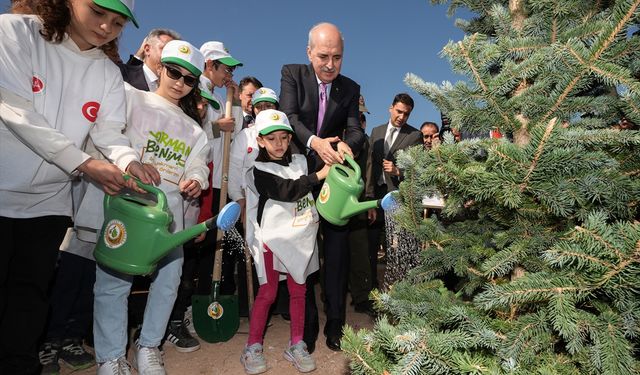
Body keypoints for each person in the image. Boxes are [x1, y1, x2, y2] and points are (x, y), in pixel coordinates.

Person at [0, 1, 148, 373]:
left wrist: (129, 162)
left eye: (116, 22)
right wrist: (84, 163)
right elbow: (15, 108)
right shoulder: (14, 32)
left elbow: (109, 132)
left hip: (48, 203)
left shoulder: (108, 73)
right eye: (98, 13)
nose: (105, 28)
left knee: (29, 296)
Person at [91, 40, 209, 374]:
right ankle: (111, 357)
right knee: (114, 282)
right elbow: (108, 133)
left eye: (189, 79)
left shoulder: (195, 129)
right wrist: (129, 163)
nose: (179, 83)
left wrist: (196, 180)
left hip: (166, 219)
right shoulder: (130, 97)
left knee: (169, 280)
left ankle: (149, 347)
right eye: (174, 72)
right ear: (160, 67)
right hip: (126, 209)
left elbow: (199, 163)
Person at [280, 22, 365, 352]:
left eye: (338, 57)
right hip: (301, 179)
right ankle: (309, 324)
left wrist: (347, 147)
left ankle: (335, 323)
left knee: (337, 252)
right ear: (309, 53)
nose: (330, 65)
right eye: (323, 56)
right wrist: (315, 143)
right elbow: (289, 117)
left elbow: (355, 130)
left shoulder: (350, 88)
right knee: (303, 251)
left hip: (334, 184)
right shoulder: (292, 74)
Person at [240, 109, 330, 374]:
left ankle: (296, 344)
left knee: (299, 291)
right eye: (272, 139)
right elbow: (286, 191)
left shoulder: (301, 161)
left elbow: (325, 163)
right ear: (260, 141)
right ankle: (253, 346)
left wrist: (335, 152)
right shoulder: (256, 169)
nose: (279, 144)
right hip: (270, 239)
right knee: (267, 293)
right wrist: (319, 176)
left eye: (284, 137)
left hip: (300, 239)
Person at [365, 93, 422, 289]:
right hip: (376, 198)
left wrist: (398, 171)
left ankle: (398, 288)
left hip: (398, 198)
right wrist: (369, 197)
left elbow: (418, 169)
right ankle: (372, 287)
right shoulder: (376, 131)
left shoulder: (415, 136)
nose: (401, 117)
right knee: (371, 246)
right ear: (391, 108)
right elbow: (370, 166)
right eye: (399, 111)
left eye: (406, 114)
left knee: (396, 246)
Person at [348, 110, 375, 317]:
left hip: (358, 204)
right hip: (334, 202)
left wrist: (370, 203)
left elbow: (368, 171)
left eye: (361, 118)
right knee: (332, 253)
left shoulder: (365, 142)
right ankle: (332, 296)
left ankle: (361, 298)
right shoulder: (332, 137)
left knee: (359, 253)